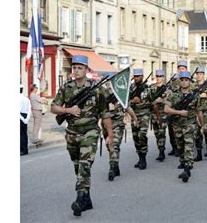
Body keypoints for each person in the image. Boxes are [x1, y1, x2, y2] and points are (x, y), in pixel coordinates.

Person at [50, 55, 114, 217]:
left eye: (80, 68)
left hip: (90, 132)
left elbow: (105, 113)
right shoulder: (67, 87)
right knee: (78, 166)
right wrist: (68, 110)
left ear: (86, 70)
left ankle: (79, 199)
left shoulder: (97, 88)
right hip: (72, 133)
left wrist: (110, 135)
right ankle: (87, 198)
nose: (76, 70)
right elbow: (54, 108)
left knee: (85, 164)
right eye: (74, 67)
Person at [164, 71, 199, 182]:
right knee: (180, 146)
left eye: (186, 80)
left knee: (189, 145)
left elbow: (199, 110)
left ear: (190, 81)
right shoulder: (173, 94)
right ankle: (184, 163)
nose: (184, 82)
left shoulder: (195, 94)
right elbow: (166, 109)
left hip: (190, 123)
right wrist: (179, 112)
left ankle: (187, 169)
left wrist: (201, 124)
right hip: (177, 124)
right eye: (182, 80)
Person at [103, 85, 138, 181]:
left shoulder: (120, 95)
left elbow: (128, 108)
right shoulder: (102, 94)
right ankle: (116, 166)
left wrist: (135, 119)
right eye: (108, 82)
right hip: (106, 125)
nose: (109, 84)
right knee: (109, 147)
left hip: (118, 124)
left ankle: (112, 168)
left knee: (114, 145)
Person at [129, 68, 151, 170]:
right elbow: (126, 101)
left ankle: (143, 159)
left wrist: (141, 102)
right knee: (135, 137)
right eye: (135, 76)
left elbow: (152, 102)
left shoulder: (147, 88)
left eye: (138, 76)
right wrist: (132, 101)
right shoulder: (131, 88)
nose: (136, 78)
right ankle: (139, 157)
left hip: (144, 114)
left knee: (142, 135)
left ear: (142, 76)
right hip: (134, 114)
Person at [194, 67, 207, 161]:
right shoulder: (193, 86)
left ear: (203, 75)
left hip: (206, 111)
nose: (199, 75)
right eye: (197, 74)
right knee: (197, 133)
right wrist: (199, 95)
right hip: (196, 111)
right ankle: (199, 154)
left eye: (201, 74)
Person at [148, 70, 168, 161]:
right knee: (156, 133)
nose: (158, 78)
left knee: (161, 133)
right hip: (154, 113)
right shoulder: (151, 88)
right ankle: (160, 149)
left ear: (163, 77)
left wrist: (162, 100)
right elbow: (148, 99)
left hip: (162, 114)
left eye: (160, 76)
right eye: (157, 76)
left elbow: (170, 100)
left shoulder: (167, 88)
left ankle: (162, 152)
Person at [20, 84, 31, 156]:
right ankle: (25, 150)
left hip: (20, 116)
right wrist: (26, 119)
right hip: (25, 115)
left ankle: (22, 150)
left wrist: (22, 119)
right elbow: (29, 109)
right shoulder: (26, 99)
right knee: (24, 134)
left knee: (20, 134)